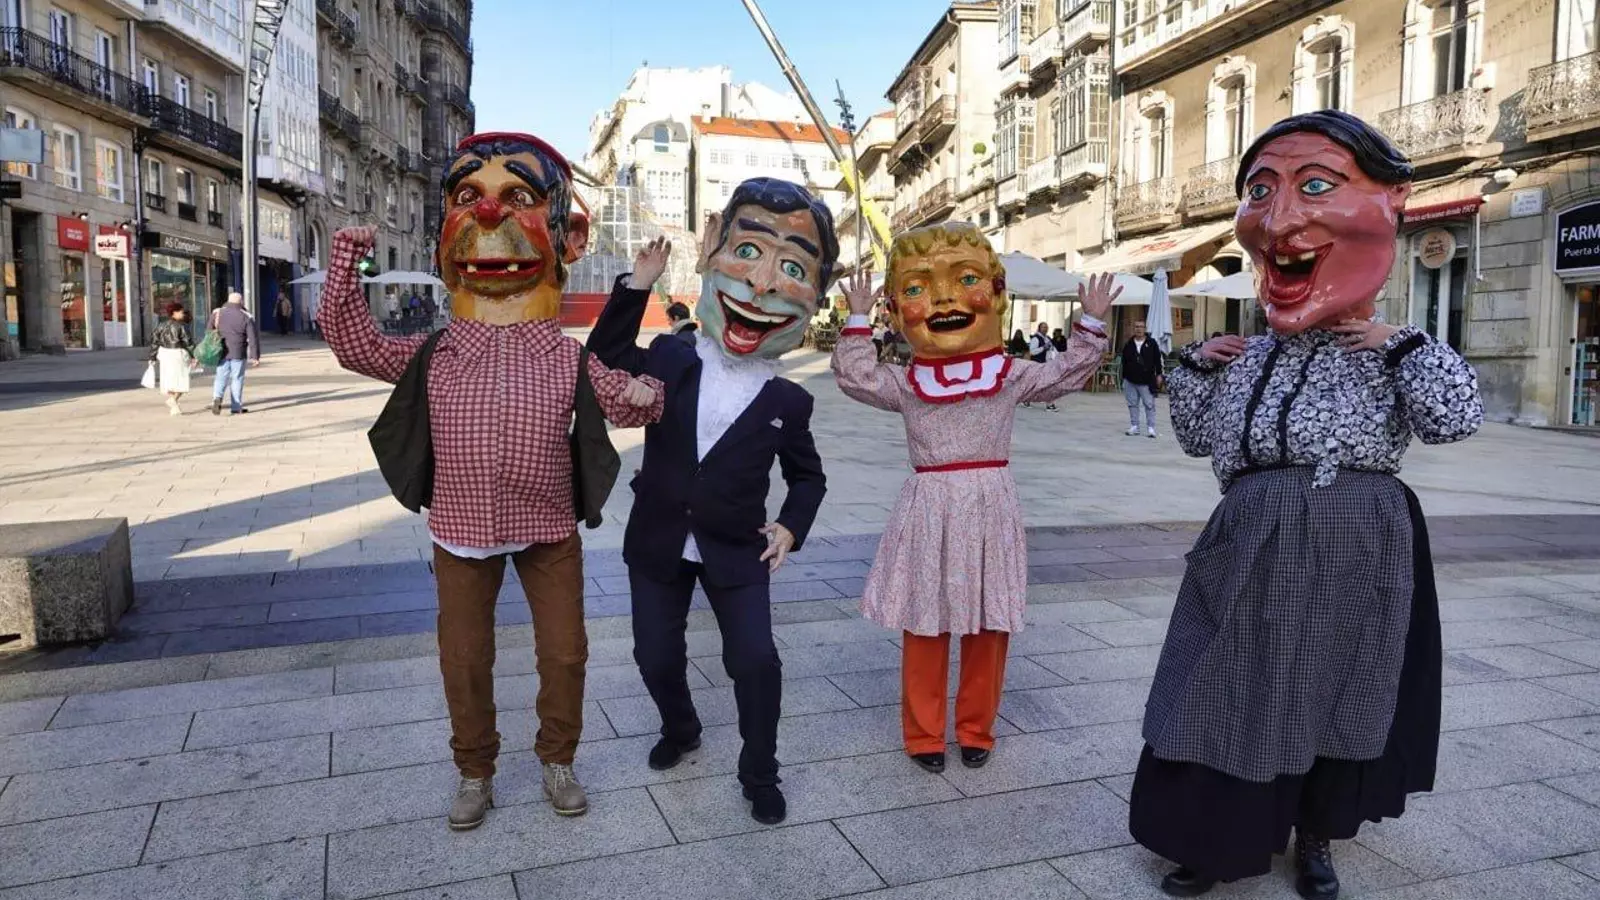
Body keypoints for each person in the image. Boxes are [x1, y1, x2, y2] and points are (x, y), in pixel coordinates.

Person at [1129, 110, 1484, 899]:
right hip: (1250, 534)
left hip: (1357, 536)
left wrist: (1401, 345)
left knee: (1336, 684)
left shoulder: (1393, 348)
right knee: (1225, 679)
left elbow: (1455, 419)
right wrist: (1197, 368)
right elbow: (1196, 439)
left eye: (1316, 186)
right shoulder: (1249, 353)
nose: (1281, 218)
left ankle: (1316, 834)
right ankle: (1214, 836)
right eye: (1260, 192)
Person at [318, 132, 666, 829]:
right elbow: (355, 345)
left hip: (548, 527)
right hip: (461, 528)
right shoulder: (436, 351)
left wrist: (645, 393)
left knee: (565, 654)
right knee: (464, 659)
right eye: (468, 197)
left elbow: (628, 400)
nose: (487, 216)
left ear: (567, 238)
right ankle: (475, 771)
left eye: (519, 197)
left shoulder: (564, 355)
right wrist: (346, 260)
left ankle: (558, 759)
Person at [587, 178, 831, 827]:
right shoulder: (672, 355)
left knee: (755, 660)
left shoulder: (789, 401)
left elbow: (808, 478)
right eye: (747, 254)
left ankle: (761, 772)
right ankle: (681, 727)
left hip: (737, 547)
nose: (761, 285)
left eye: (791, 270)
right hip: (659, 537)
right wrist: (636, 285)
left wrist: (791, 527)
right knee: (654, 656)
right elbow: (606, 356)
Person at [833, 223, 1114, 774]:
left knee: (990, 624)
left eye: (967, 281)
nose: (944, 300)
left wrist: (1091, 323)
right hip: (930, 506)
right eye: (917, 289)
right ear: (898, 308)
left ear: (998, 294)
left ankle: (975, 728)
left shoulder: (1007, 374)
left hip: (990, 506)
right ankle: (923, 734)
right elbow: (855, 376)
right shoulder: (907, 381)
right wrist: (858, 317)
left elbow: (1064, 375)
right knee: (925, 622)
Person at [209, 292, 259, 416]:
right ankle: (236, 406)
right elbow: (253, 338)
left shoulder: (217, 313)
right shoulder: (246, 316)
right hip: (238, 352)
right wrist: (255, 356)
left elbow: (209, 331)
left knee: (220, 377)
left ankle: (217, 398)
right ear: (241, 302)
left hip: (221, 351)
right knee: (237, 378)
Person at [149, 302, 194, 415]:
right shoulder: (182, 326)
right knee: (182, 379)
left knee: (169, 379)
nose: (183, 314)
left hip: (164, 353)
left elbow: (154, 341)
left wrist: (152, 357)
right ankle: (173, 400)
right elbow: (188, 342)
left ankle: (174, 406)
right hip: (178, 353)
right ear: (175, 312)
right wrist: (194, 355)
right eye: (181, 312)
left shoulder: (161, 325)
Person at [1120, 321, 1163, 438]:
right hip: (1130, 380)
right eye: (1136, 327)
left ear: (1145, 329)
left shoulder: (1152, 343)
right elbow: (1124, 361)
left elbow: (1157, 360)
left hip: (1146, 380)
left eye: (1141, 327)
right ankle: (1134, 426)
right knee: (1132, 404)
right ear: (1134, 329)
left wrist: (1159, 374)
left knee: (1149, 404)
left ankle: (1151, 428)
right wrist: (1123, 378)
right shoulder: (1128, 343)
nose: (1138, 329)